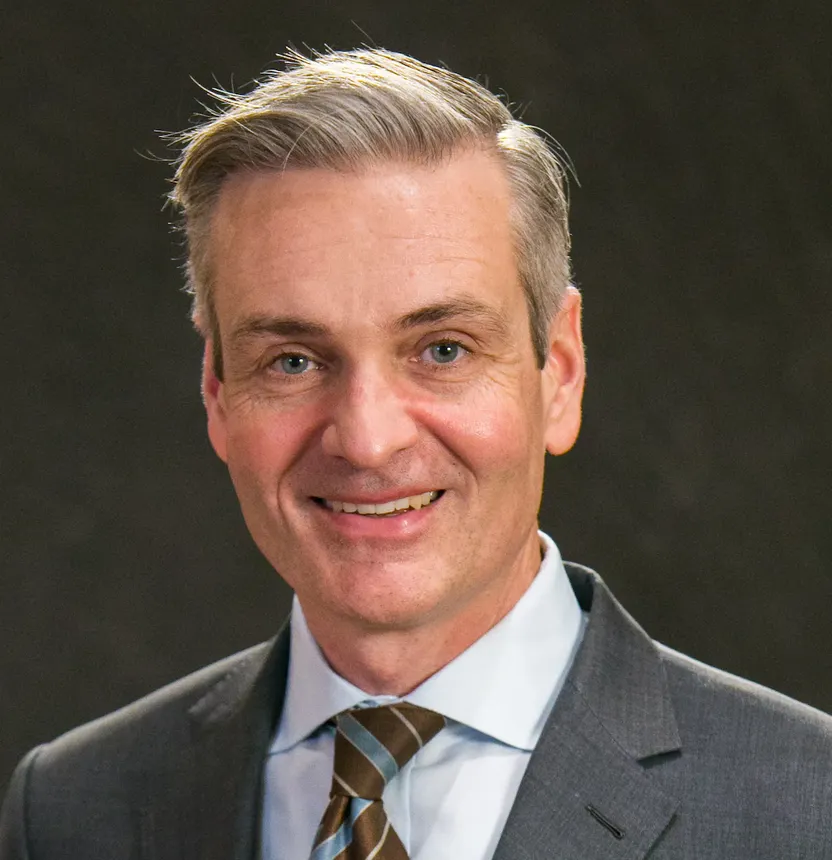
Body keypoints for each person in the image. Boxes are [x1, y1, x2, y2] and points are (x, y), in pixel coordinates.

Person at [1, 48, 831, 860]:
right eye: (292, 362)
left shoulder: (807, 813)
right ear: (217, 392)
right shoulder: (70, 811)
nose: (367, 441)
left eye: (443, 350)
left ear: (561, 372)